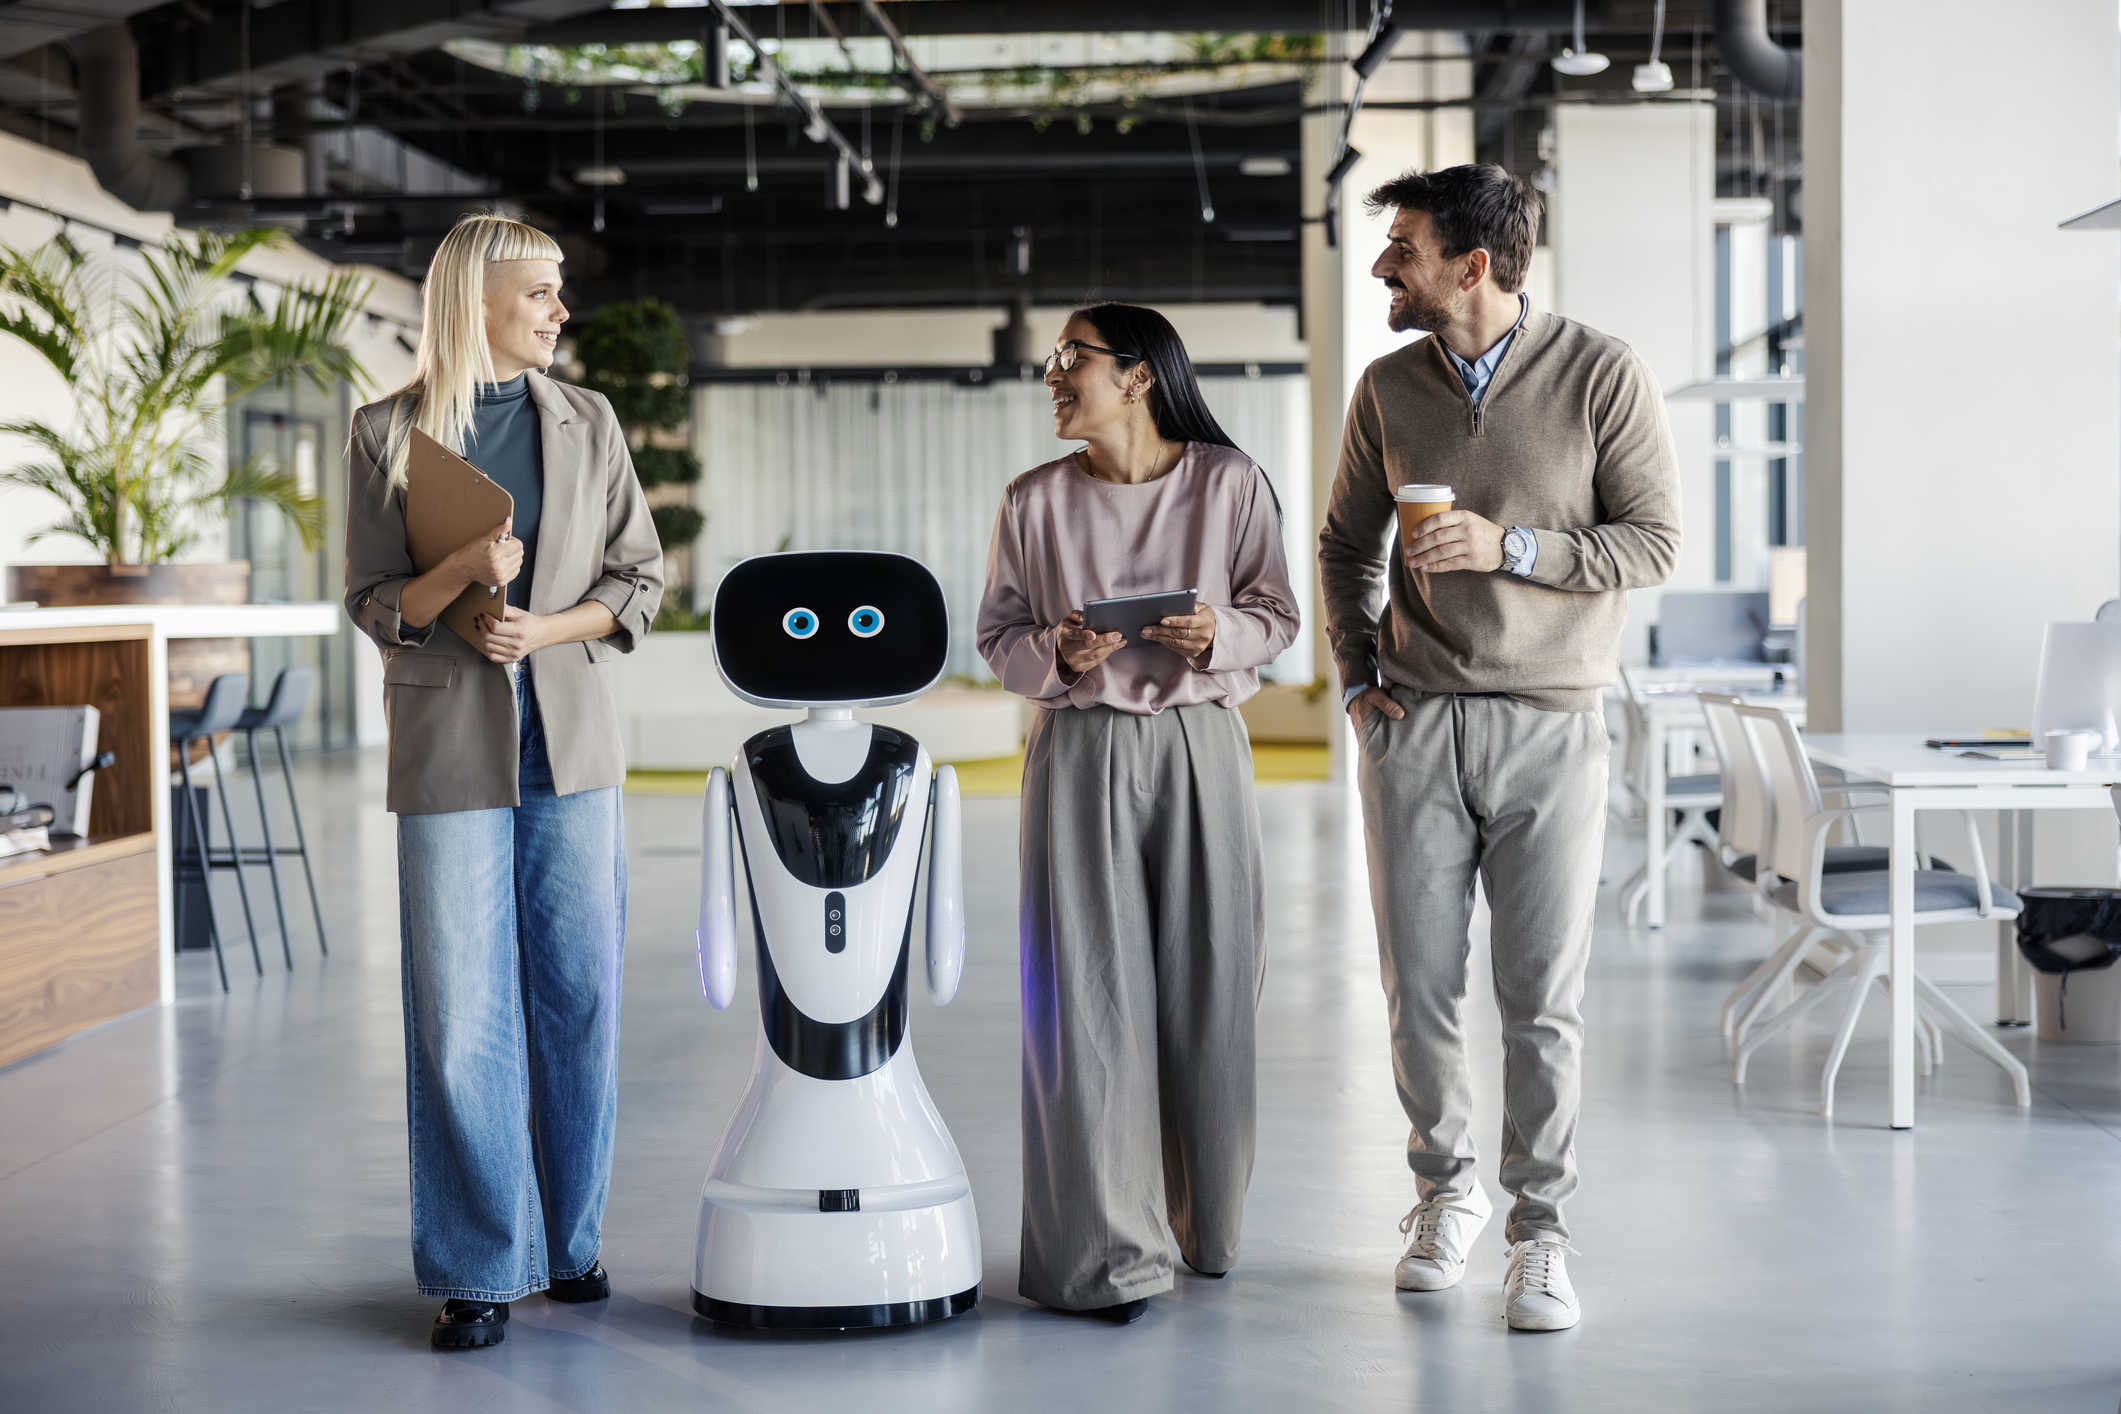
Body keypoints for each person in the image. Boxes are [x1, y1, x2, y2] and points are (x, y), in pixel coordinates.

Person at [1318, 165, 1680, 1332]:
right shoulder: (1386, 388)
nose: (1386, 266)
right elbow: (1340, 547)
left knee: (1542, 999)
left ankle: (1541, 1233)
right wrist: (1360, 672)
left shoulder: (1601, 374)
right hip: (1416, 725)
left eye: (1406, 248)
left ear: (1474, 266)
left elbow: (1654, 543)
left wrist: (1509, 549)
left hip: (1554, 726)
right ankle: (1445, 1195)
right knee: (1417, 987)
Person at [343, 214, 664, 1350]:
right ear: (477, 301)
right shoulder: (384, 432)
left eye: (559, 292)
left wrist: (543, 625)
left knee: (578, 994)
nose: (560, 312)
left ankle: (569, 1239)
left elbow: (641, 576)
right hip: (448, 749)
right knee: (458, 1012)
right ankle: (481, 1264)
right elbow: (375, 606)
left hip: (568, 738)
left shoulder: (590, 420)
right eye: (541, 293)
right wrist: (456, 577)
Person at [977, 303, 1300, 1326]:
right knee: (1087, 997)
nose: (1054, 375)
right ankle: (1108, 1254)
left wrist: (1223, 632)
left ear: (1140, 376)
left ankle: (1207, 1225)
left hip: (1203, 746)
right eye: (1054, 360)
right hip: (1080, 746)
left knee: (1214, 981)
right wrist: (1057, 656)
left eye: (1073, 358)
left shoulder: (1231, 482)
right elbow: (998, 632)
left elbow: (1280, 615)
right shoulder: (1032, 501)